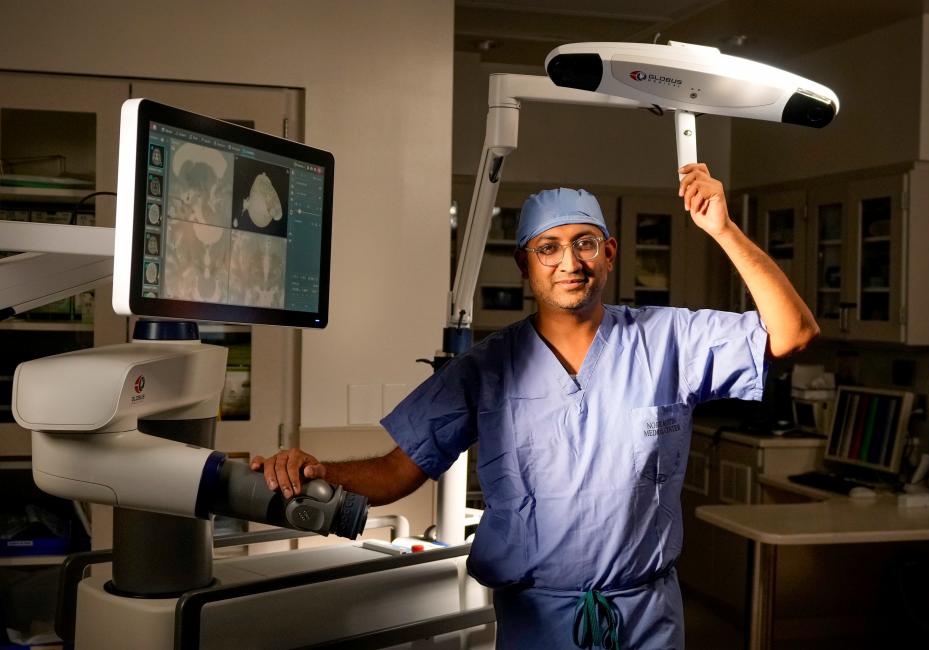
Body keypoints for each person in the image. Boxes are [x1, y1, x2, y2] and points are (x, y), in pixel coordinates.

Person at [251, 163, 819, 649]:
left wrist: (722, 230)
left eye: (585, 243)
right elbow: (398, 470)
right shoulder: (486, 368)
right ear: (525, 265)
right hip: (538, 624)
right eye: (548, 248)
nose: (569, 261)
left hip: (646, 620)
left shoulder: (667, 340)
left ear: (610, 253)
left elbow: (793, 332)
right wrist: (321, 472)